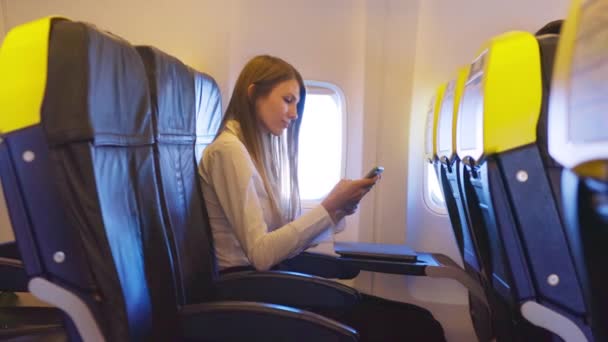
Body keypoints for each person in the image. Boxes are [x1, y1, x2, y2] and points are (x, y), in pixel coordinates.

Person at [199, 55, 445, 341]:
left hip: (266, 282)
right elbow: (262, 254)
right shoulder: (228, 152)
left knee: (419, 321)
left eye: (297, 104)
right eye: (288, 100)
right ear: (253, 93)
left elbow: (278, 240)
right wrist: (328, 207)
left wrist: (337, 209)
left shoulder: (251, 151)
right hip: (248, 290)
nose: (294, 113)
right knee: (418, 327)